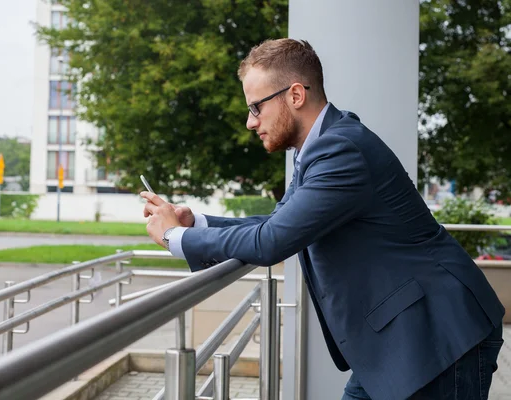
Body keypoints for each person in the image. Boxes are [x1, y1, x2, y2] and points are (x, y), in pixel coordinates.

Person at [140, 38, 505, 400]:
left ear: (295, 95)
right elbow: (277, 223)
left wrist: (175, 237)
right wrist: (197, 223)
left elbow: (272, 241)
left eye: (255, 108)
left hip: (437, 337)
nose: (250, 122)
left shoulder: (340, 150)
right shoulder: (322, 147)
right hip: (399, 340)